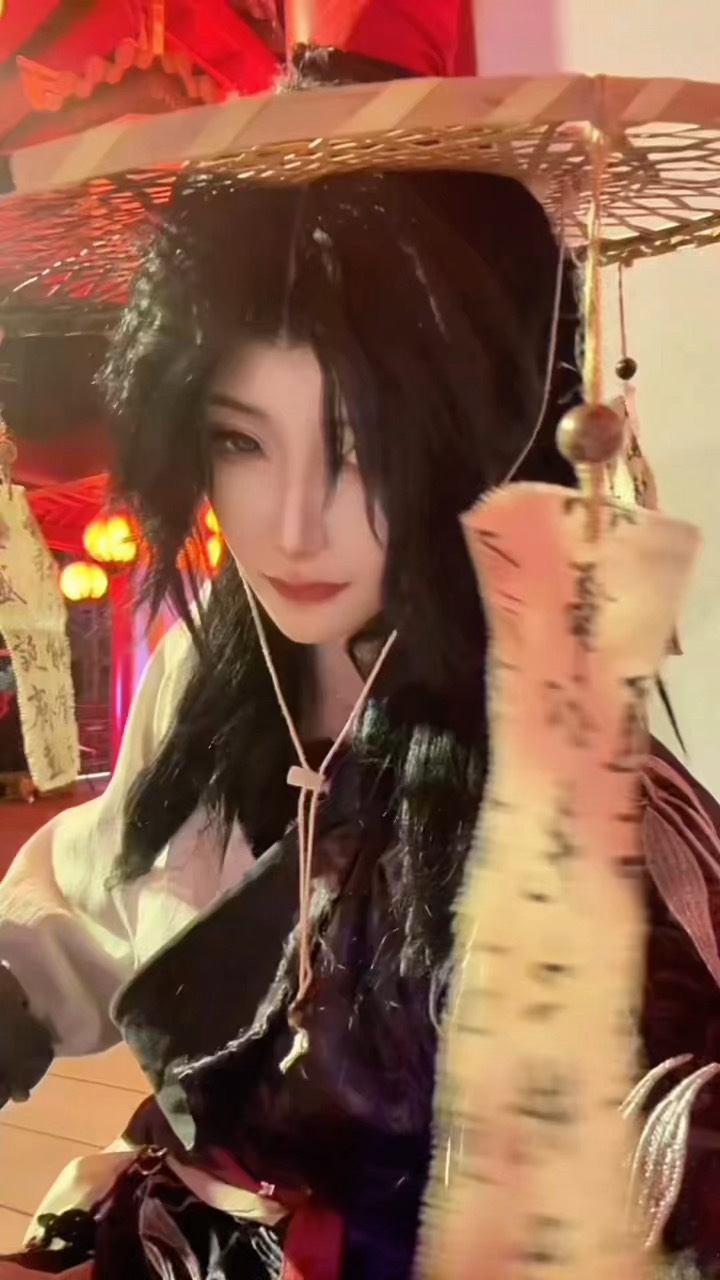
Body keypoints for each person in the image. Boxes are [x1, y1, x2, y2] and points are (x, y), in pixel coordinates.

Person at [0, 22, 720, 1280]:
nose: (290, 526)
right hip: (184, 1239)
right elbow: (107, 895)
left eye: (360, 446)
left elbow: (650, 1092)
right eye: (240, 440)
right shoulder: (214, 672)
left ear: (479, 426)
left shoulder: (561, 742)